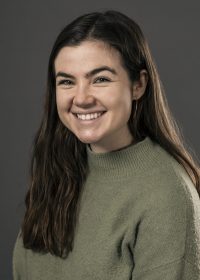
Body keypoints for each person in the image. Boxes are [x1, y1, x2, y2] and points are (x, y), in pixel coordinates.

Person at [13, 10, 200, 280]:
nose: (81, 98)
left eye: (100, 79)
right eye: (67, 81)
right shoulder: (55, 169)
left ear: (138, 85)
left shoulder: (167, 194)